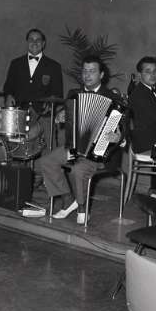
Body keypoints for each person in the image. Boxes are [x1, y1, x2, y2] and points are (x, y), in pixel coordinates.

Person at [37, 56, 123, 225]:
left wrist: (119, 137)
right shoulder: (73, 94)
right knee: (47, 161)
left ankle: (82, 208)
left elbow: (124, 128)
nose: (87, 75)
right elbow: (67, 116)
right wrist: (61, 115)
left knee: (78, 169)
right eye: (85, 71)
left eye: (92, 71)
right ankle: (68, 200)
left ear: (101, 75)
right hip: (75, 147)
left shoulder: (114, 98)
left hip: (99, 153)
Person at [3, 28, 63, 158]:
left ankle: (46, 168)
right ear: (27, 42)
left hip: (43, 114)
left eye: (38, 40)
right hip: (19, 112)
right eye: (31, 39)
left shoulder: (54, 66)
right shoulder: (16, 64)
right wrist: (8, 95)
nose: (34, 42)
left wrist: (49, 104)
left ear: (43, 43)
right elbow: (8, 87)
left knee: (50, 153)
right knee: (14, 150)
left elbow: (58, 94)